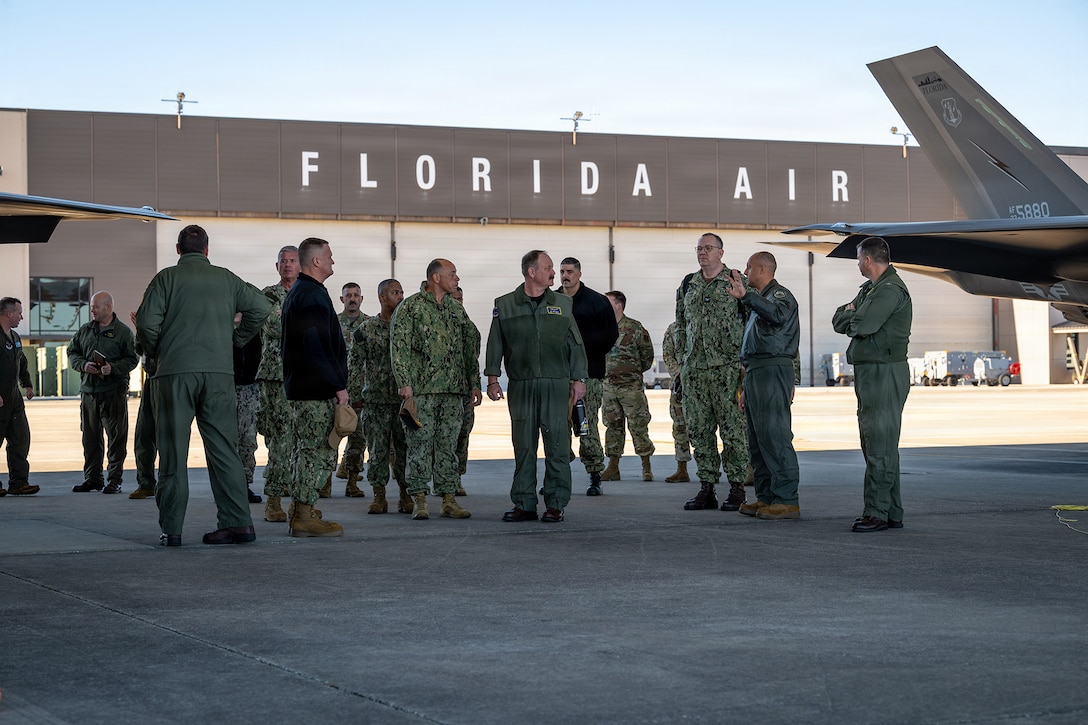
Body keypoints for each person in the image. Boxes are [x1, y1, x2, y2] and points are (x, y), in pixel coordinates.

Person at [136, 224, 270, 546]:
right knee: (225, 451)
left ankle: (172, 529)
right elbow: (262, 307)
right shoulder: (226, 278)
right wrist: (234, 339)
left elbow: (145, 322)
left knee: (172, 453)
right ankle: (238, 523)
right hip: (220, 375)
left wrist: (159, 351)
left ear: (178, 250)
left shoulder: (166, 278)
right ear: (207, 251)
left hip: (174, 375)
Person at [485, 250, 587, 523]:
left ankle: (555, 503)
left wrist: (579, 379)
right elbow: (496, 342)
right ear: (532, 272)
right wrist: (492, 378)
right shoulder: (505, 304)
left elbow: (575, 344)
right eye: (549, 268)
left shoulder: (563, 304)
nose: (554, 273)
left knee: (557, 446)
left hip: (556, 385)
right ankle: (524, 503)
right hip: (521, 385)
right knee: (524, 446)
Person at [832, 236, 913, 533]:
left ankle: (876, 512)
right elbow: (837, 319)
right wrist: (853, 314)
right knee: (877, 444)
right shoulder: (872, 289)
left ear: (867, 260)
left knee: (880, 445)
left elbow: (863, 325)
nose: (857, 264)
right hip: (872, 372)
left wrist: (854, 314)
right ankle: (891, 511)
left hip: (884, 373)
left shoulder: (889, 290)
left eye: (858, 259)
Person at [390, 259, 480, 521]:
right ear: (436, 278)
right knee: (419, 445)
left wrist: (473, 382)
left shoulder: (455, 309)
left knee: (448, 446)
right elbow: (399, 347)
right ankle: (418, 498)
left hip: (453, 392)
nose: (457, 279)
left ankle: (448, 499)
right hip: (422, 392)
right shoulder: (411, 308)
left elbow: (469, 349)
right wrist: (404, 382)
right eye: (453, 274)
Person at [674, 233, 749, 512]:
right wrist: (683, 361)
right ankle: (707, 488)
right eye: (699, 248)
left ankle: (738, 488)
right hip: (695, 371)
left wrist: (744, 365)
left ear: (721, 252)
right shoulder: (687, 284)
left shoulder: (735, 280)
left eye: (708, 248)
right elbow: (680, 324)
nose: (703, 253)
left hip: (727, 370)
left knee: (733, 432)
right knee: (700, 432)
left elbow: (752, 319)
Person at [281, 237, 350, 537]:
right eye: (330, 257)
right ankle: (304, 516)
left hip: (306, 387)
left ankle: (301, 509)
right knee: (317, 451)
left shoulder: (307, 291)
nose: (333, 261)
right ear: (317, 262)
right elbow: (314, 345)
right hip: (315, 389)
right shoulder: (309, 294)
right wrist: (337, 385)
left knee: (306, 450)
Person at [726, 252, 801, 520]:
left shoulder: (780, 296)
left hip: (772, 369)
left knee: (775, 435)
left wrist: (747, 297)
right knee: (757, 439)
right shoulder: (759, 301)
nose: (745, 272)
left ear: (761, 268)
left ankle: (786, 499)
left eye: (749, 267)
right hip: (756, 372)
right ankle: (767, 496)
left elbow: (778, 317)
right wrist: (746, 384)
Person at [556, 257, 618, 496]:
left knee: (586, 425)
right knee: (557, 426)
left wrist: (581, 351)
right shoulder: (553, 300)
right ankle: (558, 474)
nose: (565, 276)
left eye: (570, 271)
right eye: (562, 271)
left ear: (579, 274)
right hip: (558, 376)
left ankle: (594, 476)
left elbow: (610, 335)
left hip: (588, 376)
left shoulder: (597, 301)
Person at [67, 291, 138, 494]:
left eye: (96, 307)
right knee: (90, 438)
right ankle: (93, 479)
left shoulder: (123, 333)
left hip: (113, 392)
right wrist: (83, 365)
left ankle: (114, 480)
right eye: (91, 307)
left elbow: (132, 359)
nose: (92, 310)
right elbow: (72, 352)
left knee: (116, 438)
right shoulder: (85, 330)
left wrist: (112, 368)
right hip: (89, 392)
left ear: (108, 307)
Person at [353, 278, 410, 514]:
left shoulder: (407, 327)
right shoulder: (366, 329)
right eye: (395, 292)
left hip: (401, 401)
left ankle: (406, 495)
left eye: (401, 292)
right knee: (377, 450)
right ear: (382, 297)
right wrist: (354, 394)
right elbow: (355, 364)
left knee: (405, 449)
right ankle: (379, 496)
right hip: (375, 401)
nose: (400, 296)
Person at [255, 245, 298, 522]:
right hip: (275, 376)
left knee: (300, 441)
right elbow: (273, 325)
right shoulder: (269, 294)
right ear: (277, 266)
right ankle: (273, 500)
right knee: (280, 441)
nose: (287, 265)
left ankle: (299, 502)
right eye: (283, 261)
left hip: (303, 375)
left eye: (293, 261)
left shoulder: (310, 292)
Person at [600, 291, 655, 482]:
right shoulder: (602, 327)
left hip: (631, 388)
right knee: (612, 427)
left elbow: (647, 356)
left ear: (618, 305)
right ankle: (613, 467)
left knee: (639, 427)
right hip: (608, 387)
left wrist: (632, 373)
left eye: (607, 302)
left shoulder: (634, 328)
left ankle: (646, 467)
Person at [333, 281, 369, 498]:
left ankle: (352, 482)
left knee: (358, 439)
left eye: (356, 295)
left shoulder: (369, 325)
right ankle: (324, 484)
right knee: (331, 438)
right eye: (349, 295)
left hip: (361, 391)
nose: (352, 299)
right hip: (336, 389)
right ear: (342, 299)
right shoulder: (333, 323)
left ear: (361, 299)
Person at [0, 297, 38, 497]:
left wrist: (28, 384)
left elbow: (21, 362)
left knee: (20, 439)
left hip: (14, 398)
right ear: (8, 313)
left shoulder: (14, 337)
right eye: (19, 313)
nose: (22, 317)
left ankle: (19, 482)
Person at [451, 285, 479, 496]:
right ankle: (444, 479)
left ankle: (457, 477)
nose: (458, 302)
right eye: (454, 298)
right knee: (443, 438)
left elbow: (473, 361)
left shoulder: (469, 328)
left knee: (463, 435)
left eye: (461, 298)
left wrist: (475, 387)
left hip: (464, 392)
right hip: (443, 392)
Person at [233, 313, 263, 504]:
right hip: (227, 390)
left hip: (251, 390)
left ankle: (244, 485)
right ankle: (228, 486)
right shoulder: (222, 331)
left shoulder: (256, 331)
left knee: (248, 440)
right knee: (228, 441)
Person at [128, 310, 158, 499]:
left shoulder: (171, 320)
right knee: (143, 434)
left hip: (168, 380)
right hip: (151, 378)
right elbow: (140, 350)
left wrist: (144, 327)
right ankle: (146, 482)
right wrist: (140, 329)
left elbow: (156, 346)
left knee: (167, 436)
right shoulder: (149, 326)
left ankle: (168, 484)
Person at [661, 321, 691, 483]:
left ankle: (711, 471)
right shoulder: (673, 328)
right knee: (680, 427)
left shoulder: (710, 322)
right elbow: (667, 354)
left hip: (707, 383)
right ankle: (682, 469)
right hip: (680, 386)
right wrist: (680, 373)